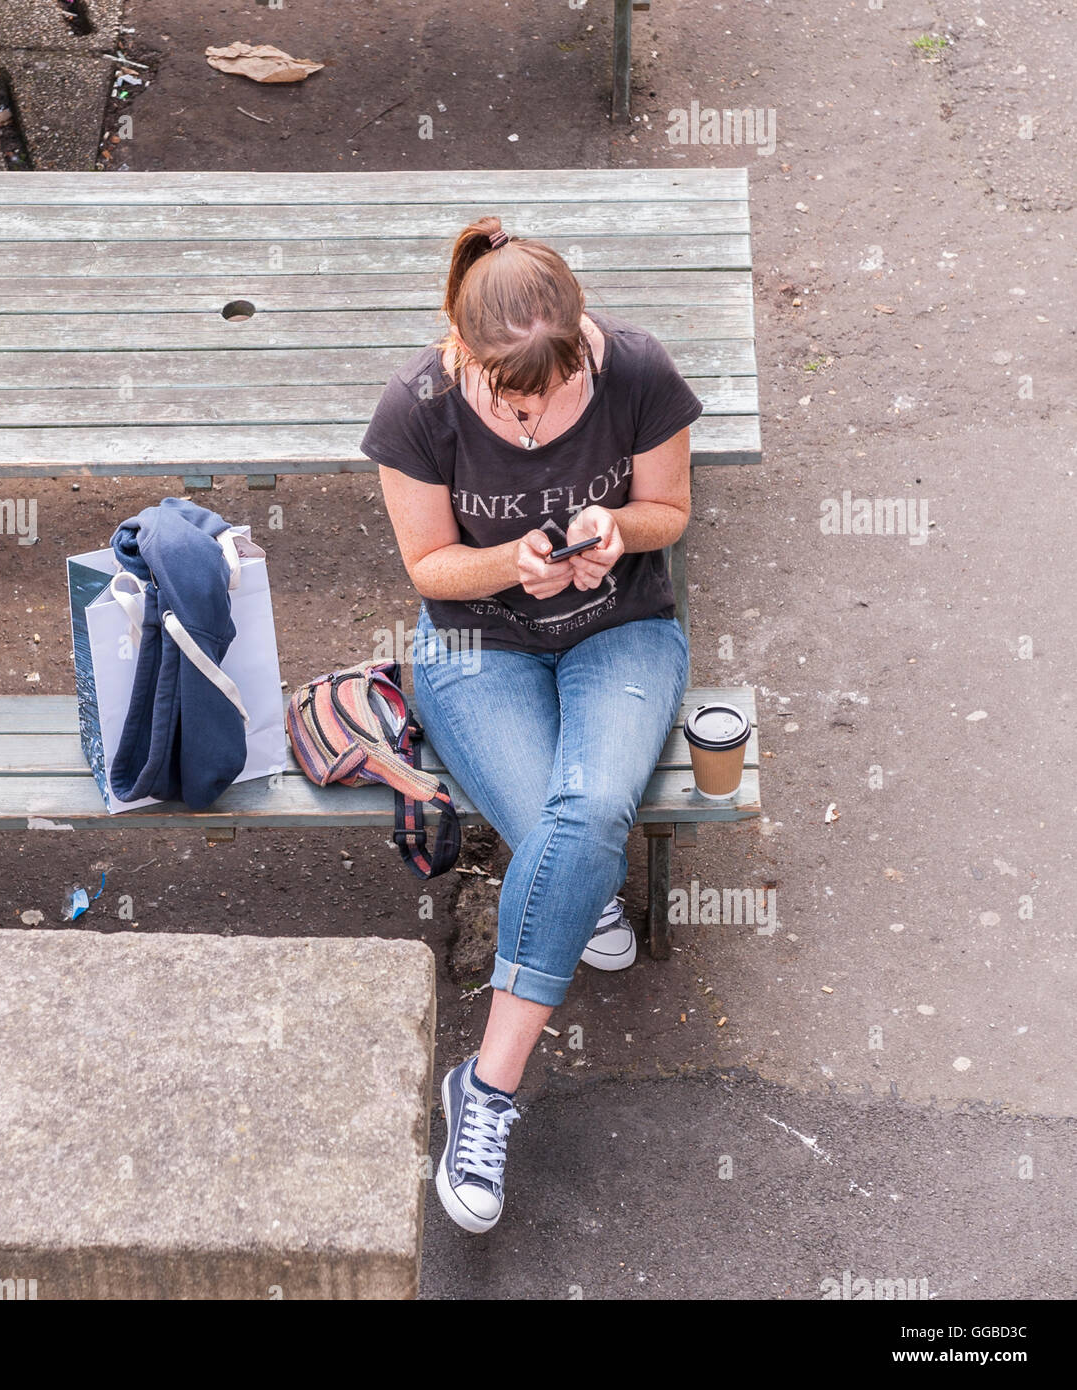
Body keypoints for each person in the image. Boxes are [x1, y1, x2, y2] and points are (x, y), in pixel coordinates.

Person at [361, 216, 703, 1234]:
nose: (537, 411)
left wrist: (614, 529)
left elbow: (668, 511)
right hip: (476, 647)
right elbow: (427, 570)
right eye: (514, 396)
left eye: (557, 388)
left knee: (585, 807)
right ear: (462, 354)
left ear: (582, 339)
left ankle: (488, 1084)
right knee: (581, 835)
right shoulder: (415, 409)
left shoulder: (635, 368)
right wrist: (515, 560)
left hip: (622, 629)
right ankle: (580, 893)